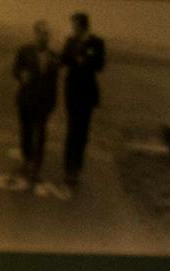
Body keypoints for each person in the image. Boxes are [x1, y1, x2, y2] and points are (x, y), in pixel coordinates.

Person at [59, 12, 106, 186]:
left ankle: (76, 169)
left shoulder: (97, 43)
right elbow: (63, 60)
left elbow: (100, 65)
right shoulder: (70, 42)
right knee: (72, 131)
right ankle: (68, 169)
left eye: (75, 25)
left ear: (83, 26)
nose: (72, 28)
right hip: (71, 92)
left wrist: (84, 61)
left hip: (86, 94)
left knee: (82, 133)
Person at [13, 21, 60, 183]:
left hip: (43, 103)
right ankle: (26, 161)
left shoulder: (54, 56)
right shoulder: (24, 51)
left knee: (40, 135)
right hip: (25, 100)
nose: (44, 37)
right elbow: (15, 70)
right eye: (41, 33)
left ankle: (36, 168)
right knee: (26, 132)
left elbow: (54, 82)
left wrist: (53, 103)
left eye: (46, 34)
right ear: (35, 34)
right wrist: (21, 75)